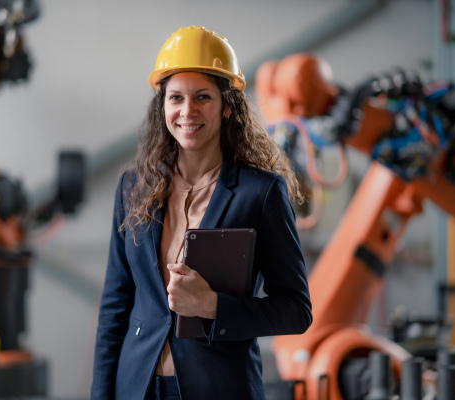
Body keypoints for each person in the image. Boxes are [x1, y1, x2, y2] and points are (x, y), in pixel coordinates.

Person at [91, 26, 312, 400]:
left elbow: (295, 310)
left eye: (203, 97)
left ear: (227, 107)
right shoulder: (133, 189)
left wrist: (213, 307)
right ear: (162, 106)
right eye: (175, 98)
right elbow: (115, 307)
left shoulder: (260, 193)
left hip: (220, 388)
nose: (187, 111)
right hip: (137, 386)